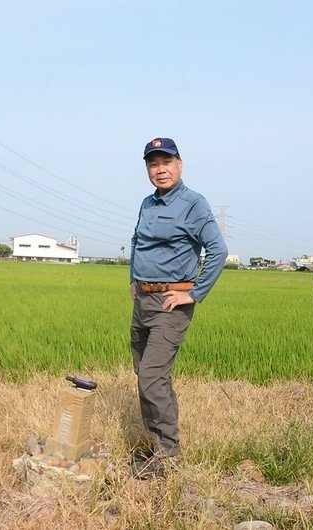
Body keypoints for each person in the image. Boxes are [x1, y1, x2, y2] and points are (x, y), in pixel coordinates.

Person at [129, 137, 228, 478]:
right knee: (149, 377)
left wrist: (195, 293)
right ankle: (157, 448)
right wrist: (133, 279)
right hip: (142, 300)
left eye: (166, 162)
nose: (160, 169)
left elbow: (218, 251)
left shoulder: (193, 204)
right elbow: (136, 241)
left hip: (171, 304)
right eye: (153, 164)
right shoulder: (147, 203)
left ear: (180, 164)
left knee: (151, 376)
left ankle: (168, 458)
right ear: (147, 169)